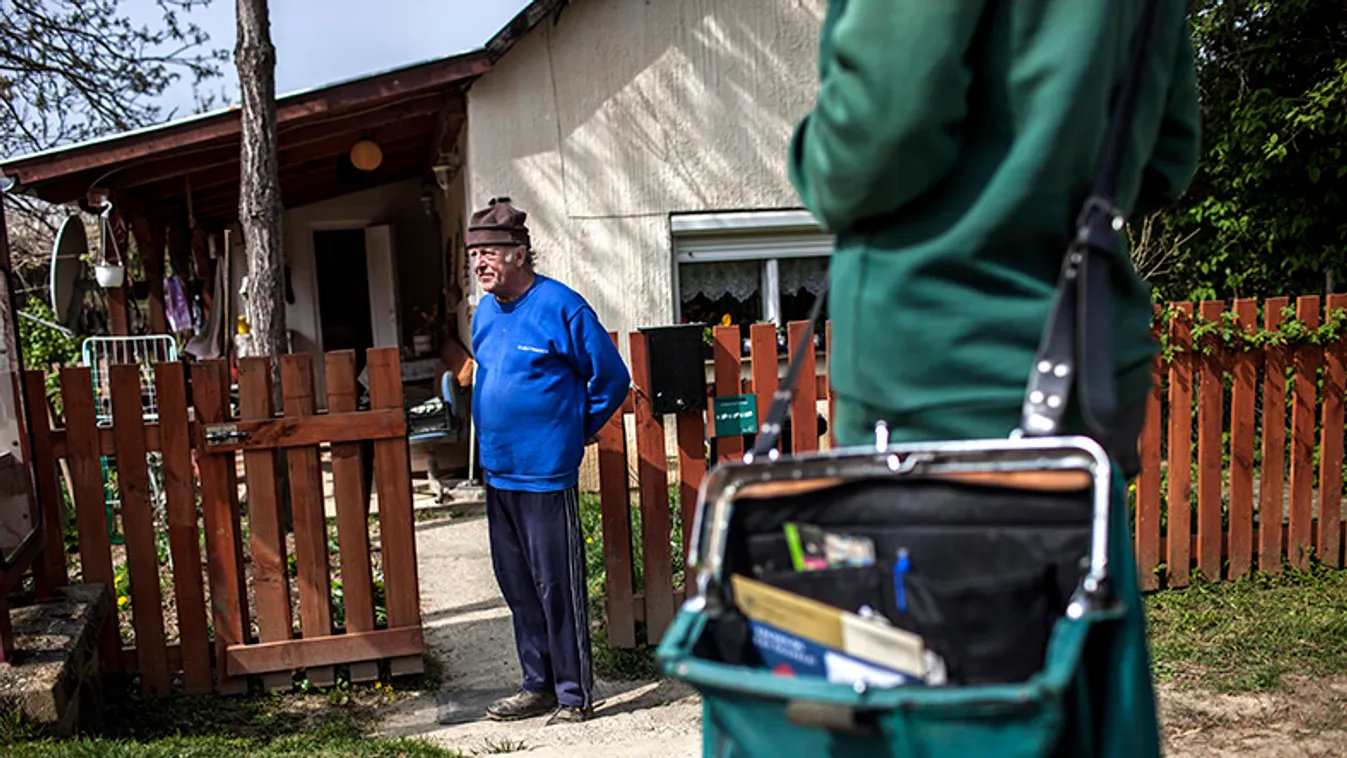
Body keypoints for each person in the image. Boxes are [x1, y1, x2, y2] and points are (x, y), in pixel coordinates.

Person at [787, 3, 1199, 757]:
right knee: (1079, 701)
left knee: (924, 713)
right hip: (1083, 370)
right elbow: (1169, 154)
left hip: (929, 370)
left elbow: (870, 145)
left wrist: (813, 150)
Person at [467, 197, 630, 725]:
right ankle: (535, 684)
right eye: (473, 254)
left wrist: (573, 431)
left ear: (519, 254)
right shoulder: (485, 313)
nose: (478, 264)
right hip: (499, 470)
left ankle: (574, 693)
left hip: (544, 474)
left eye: (487, 252)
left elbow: (610, 379)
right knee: (516, 585)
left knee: (557, 587)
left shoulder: (562, 306)